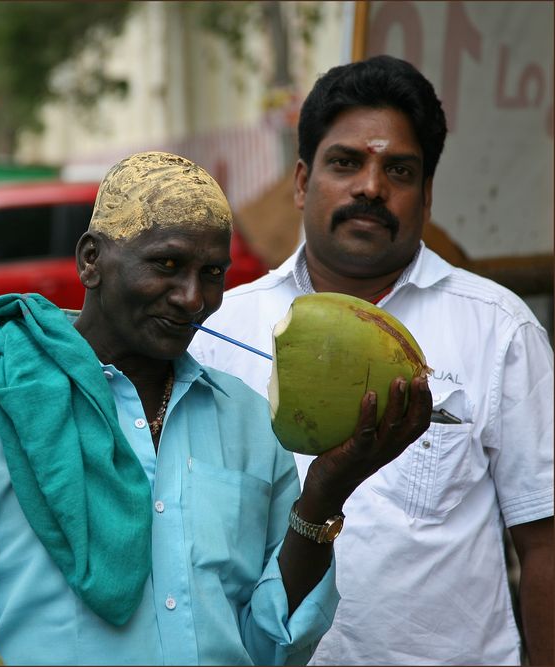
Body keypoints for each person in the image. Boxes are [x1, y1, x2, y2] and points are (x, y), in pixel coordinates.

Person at [0, 150, 432, 665]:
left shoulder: (245, 421)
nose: (193, 298)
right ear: (92, 260)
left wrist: (323, 497)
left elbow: (269, 649)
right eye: (166, 264)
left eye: (213, 273)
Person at [189, 55, 554, 666]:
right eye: (345, 162)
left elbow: (544, 545)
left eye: (400, 170)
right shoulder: (221, 332)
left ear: (427, 195)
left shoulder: (498, 327)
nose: (371, 187)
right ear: (302, 181)